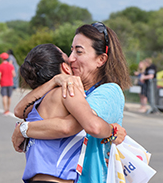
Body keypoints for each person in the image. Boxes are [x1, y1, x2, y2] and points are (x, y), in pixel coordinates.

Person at [12, 22, 131, 183]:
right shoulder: (68, 90)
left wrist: (23, 129)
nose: (71, 58)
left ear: (101, 59)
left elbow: (69, 126)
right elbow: (20, 110)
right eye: (71, 50)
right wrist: (55, 80)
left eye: (79, 52)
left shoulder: (108, 91)